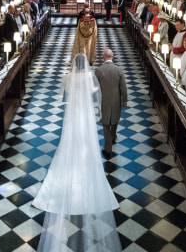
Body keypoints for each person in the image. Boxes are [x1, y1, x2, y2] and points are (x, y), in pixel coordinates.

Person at [32, 53, 121, 252]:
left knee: (70, 137)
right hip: (86, 112)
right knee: (86, 138)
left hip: (73, 111)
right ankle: (85, 158)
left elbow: (65, 93)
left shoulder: (68, 76)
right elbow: (93, 94)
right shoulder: (90, 77)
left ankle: (72, 158)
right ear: (86, 64)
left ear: (73, 64)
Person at [95, 48, 127, 159]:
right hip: (116, 101)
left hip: (103, 101)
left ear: (103, 57)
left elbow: (95, 88)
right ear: (112, 57)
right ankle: (113, 138)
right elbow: (123, 87)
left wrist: (94, 101)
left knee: (105, 124)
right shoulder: (119, 70)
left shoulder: (98, 70)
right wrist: (125, 100)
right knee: (114, 121)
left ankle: (108, 148)